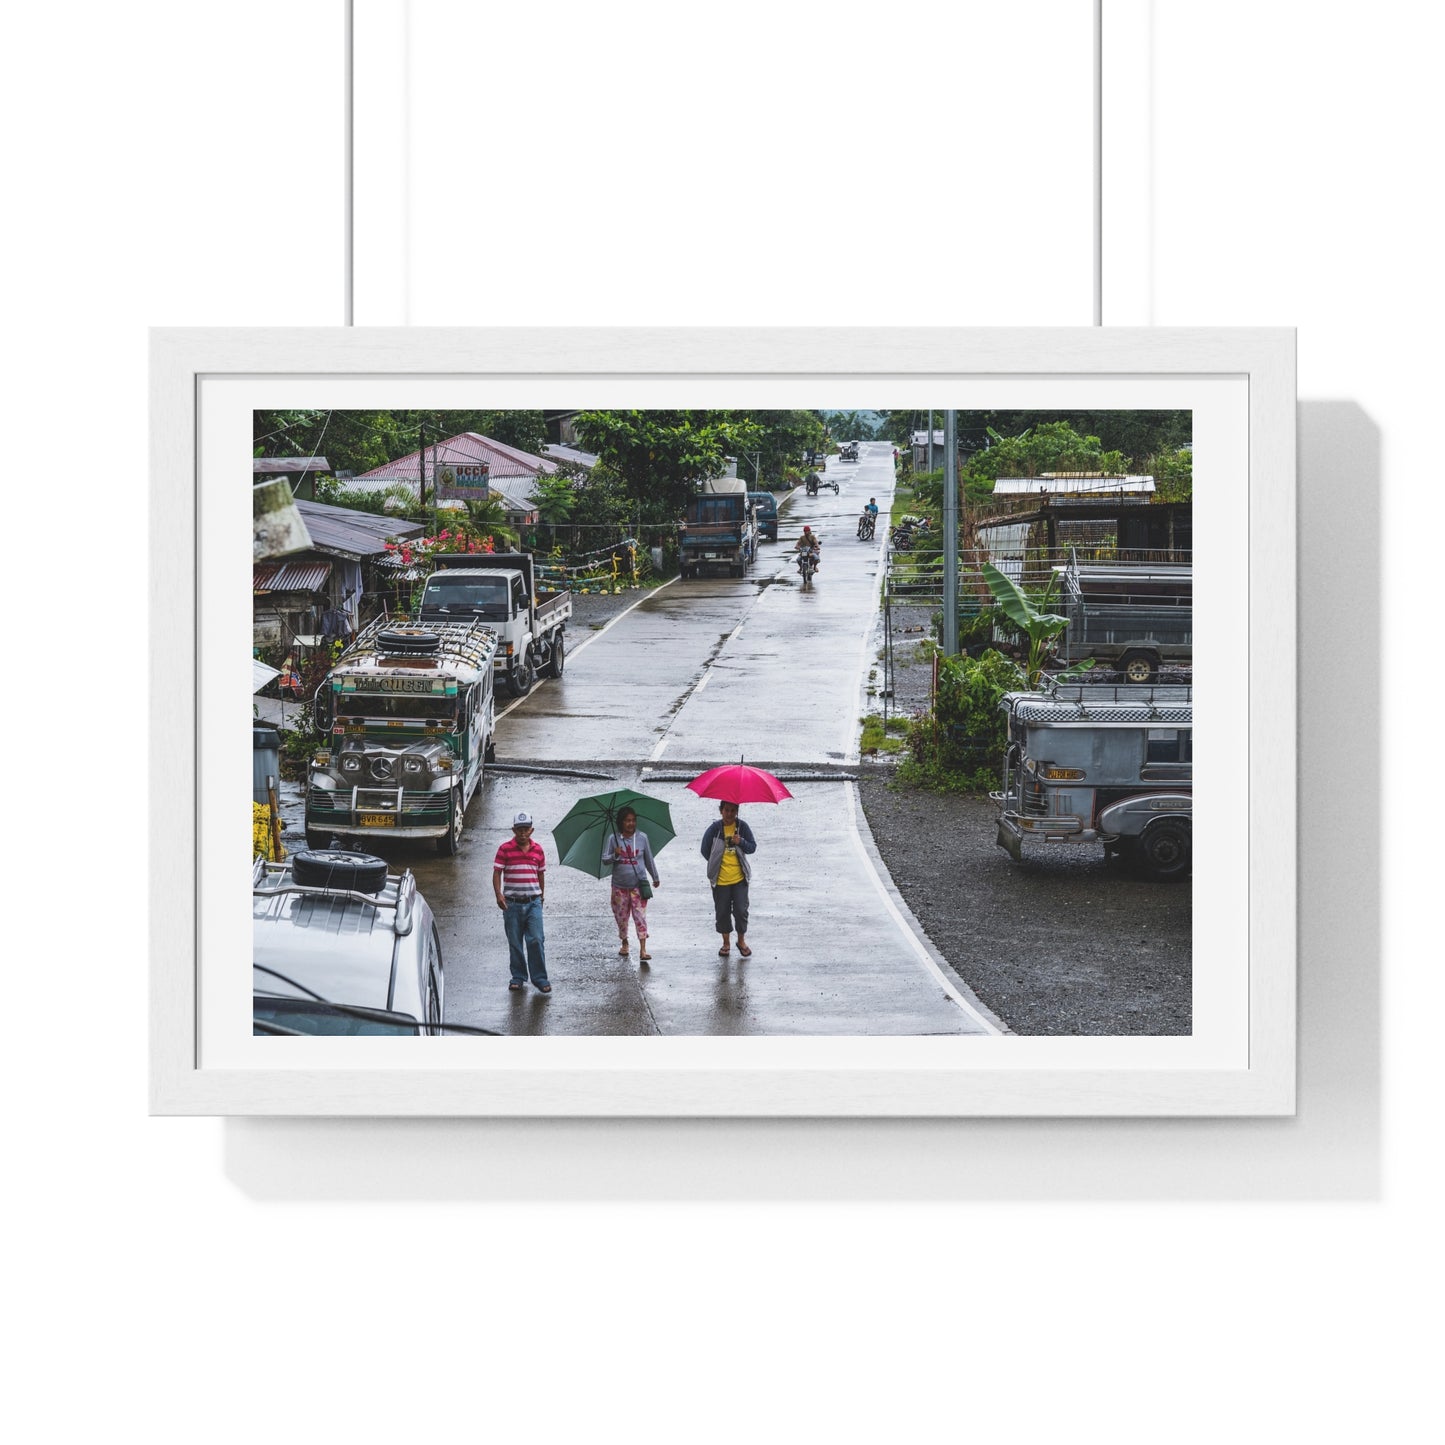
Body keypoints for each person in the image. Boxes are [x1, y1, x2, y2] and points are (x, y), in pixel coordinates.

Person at [492, 811, 550, 993]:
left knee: (536, 940)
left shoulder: (538, 850)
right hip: (512, 904)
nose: (522, 833)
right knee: (515, 942)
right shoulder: (504, 849)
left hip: (533, 902)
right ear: (513, 830)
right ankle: (518, 976)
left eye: (526, 829)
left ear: (531, 830)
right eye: (519, 829)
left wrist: (541, 895)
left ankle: (540, 978)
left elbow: (540, 873)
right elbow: (497, 872)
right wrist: (498, 895)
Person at [601, 805, 661, 962]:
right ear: (621, 822)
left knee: (640, 916)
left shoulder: (642, 838)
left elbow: (648, 858)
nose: (631, 824)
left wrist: (655, 876)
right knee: (622, 918)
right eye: (627, 821)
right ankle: (625, 942)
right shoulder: (613, 839)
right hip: (619, 887)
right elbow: (605, 859)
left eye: (633, 820)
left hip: (638, 886)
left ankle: (643, 949)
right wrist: (615, 854)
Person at [700, 800, 757, 957]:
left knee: (741, 911)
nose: (729, 814)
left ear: (737, 811)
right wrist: (715, 862)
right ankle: (726, 943)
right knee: (722, 912)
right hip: (720, 881)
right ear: (721, 811)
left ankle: (741, 940)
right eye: (726, 810)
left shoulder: (742, 827)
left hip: (739, 879)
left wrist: (741, 842)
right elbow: (705, 850)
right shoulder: (714, 830)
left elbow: (752, 847)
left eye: (733, 810)